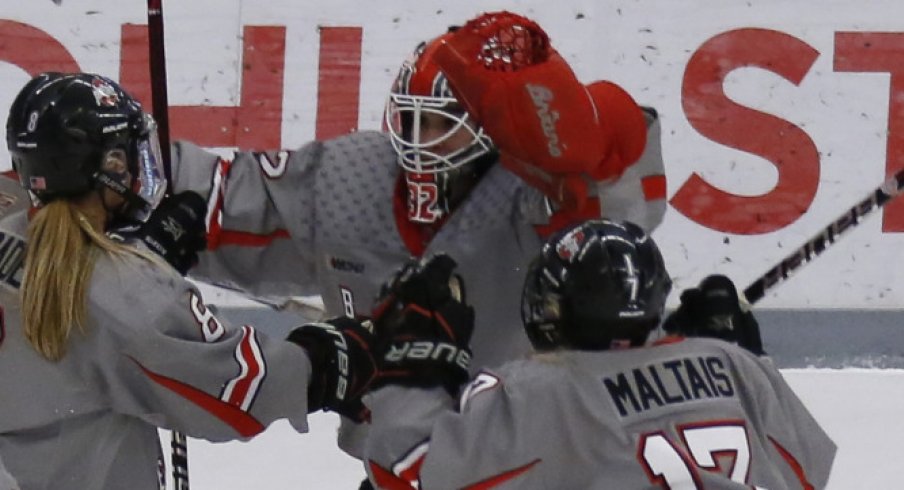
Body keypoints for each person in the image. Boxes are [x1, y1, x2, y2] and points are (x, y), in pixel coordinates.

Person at [164, 10, 667, 458]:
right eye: (413, 120)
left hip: (519, 459)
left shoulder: (535, 192)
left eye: (440, 125)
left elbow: (626, 201)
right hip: (396, 457)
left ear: (492, 127)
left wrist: (588, 139)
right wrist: (135, 174)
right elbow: (229, 201)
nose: (420, 141)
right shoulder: (348, 177)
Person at [0, 72, 378, 489]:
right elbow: (237, 391)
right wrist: (329, 358)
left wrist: (138, 255)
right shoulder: (124, 296)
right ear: (111, 167)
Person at [360, 219, 836, 489]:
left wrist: (409, 366)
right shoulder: (735, 366)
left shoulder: (538, 391)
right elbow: (808, 471)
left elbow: (413, 472)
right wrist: (727, 358)